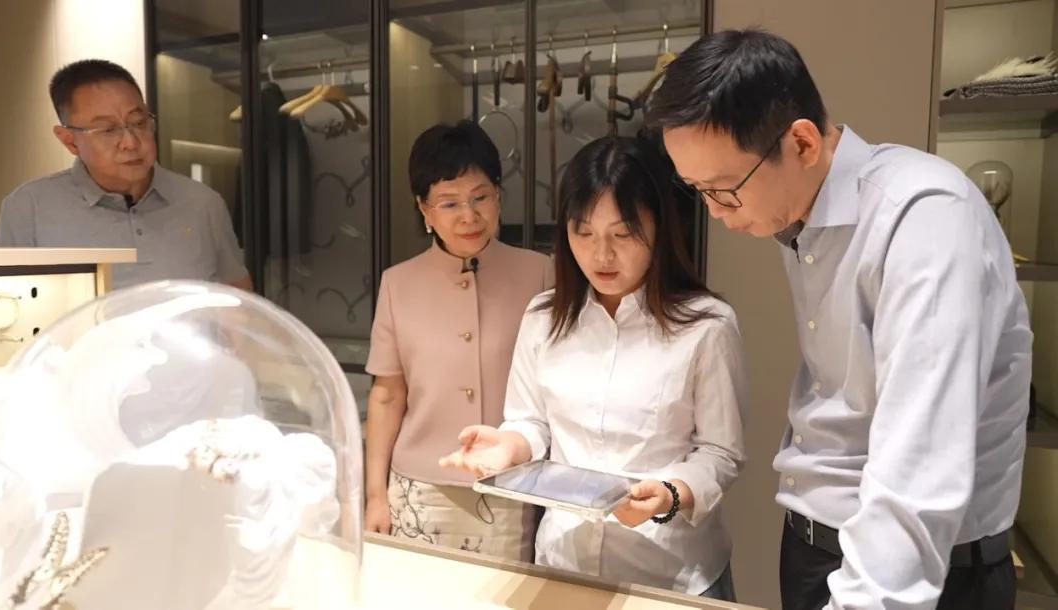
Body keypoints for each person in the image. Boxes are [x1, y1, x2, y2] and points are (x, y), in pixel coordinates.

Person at [649, 29, 1032, 610]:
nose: (717, 214)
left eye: (725, 190)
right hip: (815, 541)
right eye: (697, 191)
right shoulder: (798, 215)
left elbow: (919, 471)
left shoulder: (924, 218)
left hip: (919, 573)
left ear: (802, 143)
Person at [440, 135, 746, 599]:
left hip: (670, 570)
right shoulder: (544, 317)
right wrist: (509, 445)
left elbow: (720, 453)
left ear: (660, 228)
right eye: (583, 233)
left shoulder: (706, 326)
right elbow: (532, 422)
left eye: (622, 235)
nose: (601, 255)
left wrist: (670, 493)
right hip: (565, 560)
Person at [363, 121, 552, 560]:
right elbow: (387, 396)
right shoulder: (397, 284)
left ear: (498, 195)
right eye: (449, 203)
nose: (469, 216)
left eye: (480, 197)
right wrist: (375, 495)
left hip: (510, 485)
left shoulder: (539, 273)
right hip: (418, 488)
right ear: (424, 210)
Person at [0, 59, 251, 291]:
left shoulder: (202, 203)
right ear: (69, 140)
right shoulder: (30, 208)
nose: (130, 142)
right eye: (107, 130)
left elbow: (238, 299)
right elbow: (4, 306)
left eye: (138, 123)